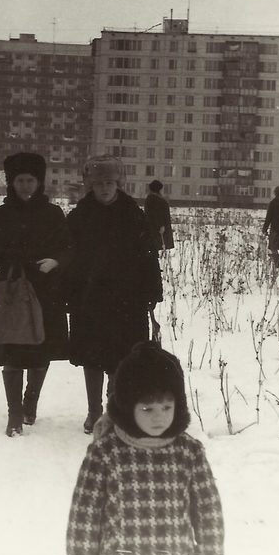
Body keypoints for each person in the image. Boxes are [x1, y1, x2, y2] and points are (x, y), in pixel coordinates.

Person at [66, 341, 224, 555]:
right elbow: (84, 519)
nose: (158, 417)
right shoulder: (105, 453)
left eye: (167, 407)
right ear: (129, 407)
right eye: (147, 409)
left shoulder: (189, 452)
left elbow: (208, 510)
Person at [64, 156, 163, 434]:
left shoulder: (134, 214)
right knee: (92, 355)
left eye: (110, 182)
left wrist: (152, 291)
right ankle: (94, 410)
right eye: (99, 183)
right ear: (90, 186)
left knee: (123, 356)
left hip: (127, 298)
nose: (105, 188)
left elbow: (149, 256)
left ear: (119, 183)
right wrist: (68, 292)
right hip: (90, 297)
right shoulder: (79, 216)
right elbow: (68, 257)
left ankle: (113, 407)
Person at [0, 152, 72, 437]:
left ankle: (30, 402)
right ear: (11, 182)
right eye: (20, 180)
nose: (25, 185)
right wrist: (10, 258)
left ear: (39, 182)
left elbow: (68, 248)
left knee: (40, 350)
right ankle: (14, 413)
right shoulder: (2, 214)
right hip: (12, 288)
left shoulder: (53, 214)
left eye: (31, 180)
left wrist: (55, 261)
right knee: (12, 350)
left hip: (46, 288)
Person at [143, 180, 174, 252]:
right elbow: (156, 214)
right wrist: (161, 225)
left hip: (154, 227)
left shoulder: (151, 199)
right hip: (157, 228)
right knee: (156, 245)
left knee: (154, 246)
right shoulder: (156, 199)